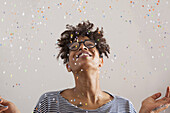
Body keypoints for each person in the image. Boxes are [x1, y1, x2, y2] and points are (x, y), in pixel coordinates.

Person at [0, 20, 169, 113]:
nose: (82, 47)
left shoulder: (124, 107)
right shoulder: (49, 103)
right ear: (68, 66)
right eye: (74, 47)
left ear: (100, 61)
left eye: (89, 44)